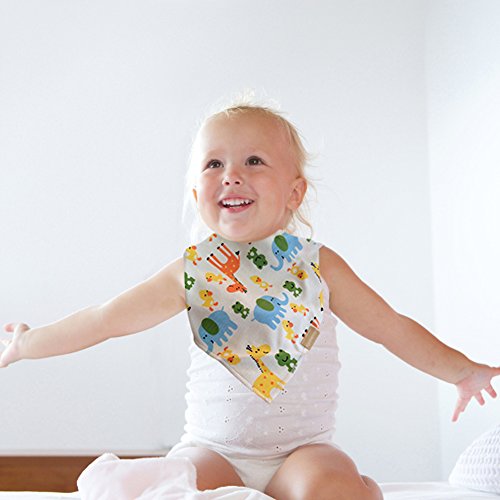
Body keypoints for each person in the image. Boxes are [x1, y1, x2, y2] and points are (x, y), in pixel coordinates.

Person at [2, 101, 499, 500]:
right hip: (214, 450)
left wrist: (461, 371)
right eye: (214, 163)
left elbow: (389, 326)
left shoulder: (319, 267)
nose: (231, 174)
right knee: (184, 484)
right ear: (196, 194)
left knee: (331, 486)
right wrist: (28, 343)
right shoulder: (191, 272)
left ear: (294, 193)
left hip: (300, 452)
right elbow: (105, 319)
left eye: (254, 161)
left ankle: (359, 489)